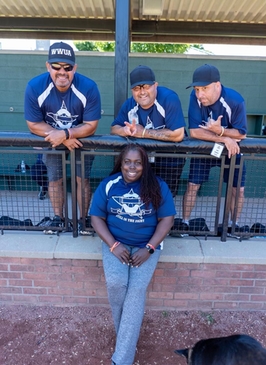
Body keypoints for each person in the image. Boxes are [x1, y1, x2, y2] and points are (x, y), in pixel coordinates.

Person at [90, 143, 175, 365]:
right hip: (115, 245)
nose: (132, 167)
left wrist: (149, 248)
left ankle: (122, 364)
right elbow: (96, 217)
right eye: (127, 162)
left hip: (146, 247)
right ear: (121, 162)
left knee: (136, 291)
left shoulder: (157, 186)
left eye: (137, 163)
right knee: (117, 285)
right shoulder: (109, 184)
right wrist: (114, 245)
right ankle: (128, 334)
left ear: (144, 164)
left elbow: (167, 219)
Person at [24, 41, 101, 233]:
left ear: (74, 68)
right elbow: (33, 124)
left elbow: (91, 125)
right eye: (56, 66)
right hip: (53, 141)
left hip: (81, 141)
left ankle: (82, 220)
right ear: (48, 66)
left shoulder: (89, 87)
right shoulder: (35, 86)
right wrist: (62, 137)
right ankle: (58, 219)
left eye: (67, 67)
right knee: (55, 180)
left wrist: (66, 134)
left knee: (81, 180)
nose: (62, 72)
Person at [182, 64, 247, 231]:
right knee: (192, 185)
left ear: (217, 85)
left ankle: (234, 225)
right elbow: (195, 132)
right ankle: (185, 223)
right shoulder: (195, 98)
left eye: (204, 88)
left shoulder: (235, 100)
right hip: (207, 148)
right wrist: (224, 137)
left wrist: (221, 130)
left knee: (238, 190)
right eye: (197, 89)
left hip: (233, 150)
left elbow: (241, 134)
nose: (200, 94)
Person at [111, 65, 186, 197]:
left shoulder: (169, 98)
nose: (142, 92)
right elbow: (114, 128)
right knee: (141, 194)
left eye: (145, 86)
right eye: (136, 88)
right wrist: (125, 130)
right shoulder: (129, 104)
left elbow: (178, 134)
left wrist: (144, 132)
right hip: (144, 159)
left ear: (155, 85)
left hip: (170, 158)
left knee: (164, 196)